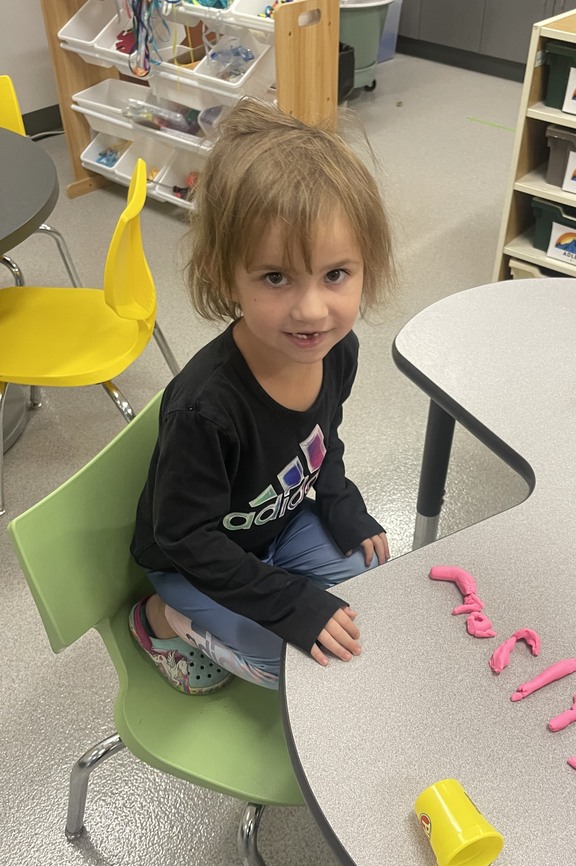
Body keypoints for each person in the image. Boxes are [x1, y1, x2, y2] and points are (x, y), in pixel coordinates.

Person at [129, 99, 396, 695]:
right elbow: (185, 538)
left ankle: (267, 593)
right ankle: (156, 622)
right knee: (289, 668)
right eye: (275, 277)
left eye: (335, 275)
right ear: (228, 277)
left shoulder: (336, 350)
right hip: (189, 562)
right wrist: (287, 602)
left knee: (371, 587)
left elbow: (322, 443)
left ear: (364, 268)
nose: (311, 311)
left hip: (279, 524)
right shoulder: (205, 409)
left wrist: (340, 502)